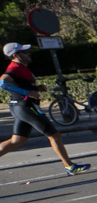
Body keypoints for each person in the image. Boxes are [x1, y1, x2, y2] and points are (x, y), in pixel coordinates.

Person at [0, 43, 90, 175]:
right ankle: (70, 166)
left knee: (18, 140)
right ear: (15, 55)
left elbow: (21, 84)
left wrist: (36, 88)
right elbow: (2, 83)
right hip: (26, 107)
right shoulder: (15, 68)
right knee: (54, 135)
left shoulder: (21, 68)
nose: (28, 54)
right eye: (24, 52)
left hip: (19, 107)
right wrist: (27, 92)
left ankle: (69, 166)